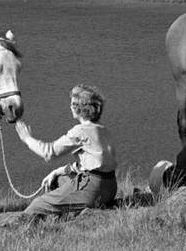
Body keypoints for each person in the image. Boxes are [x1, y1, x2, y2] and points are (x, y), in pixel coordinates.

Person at [14, 83, 117, 220]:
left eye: (73, 104)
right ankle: (70, 213)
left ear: (80, 108)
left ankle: (28, 226)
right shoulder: (103, 129)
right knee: (58, 180)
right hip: (109, 188)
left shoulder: (80, 131)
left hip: (92, 189)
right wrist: (57, 171)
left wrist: (27, 138)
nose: (70, 107)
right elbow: (93, 163)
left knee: (38, 204)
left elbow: (49, 153)